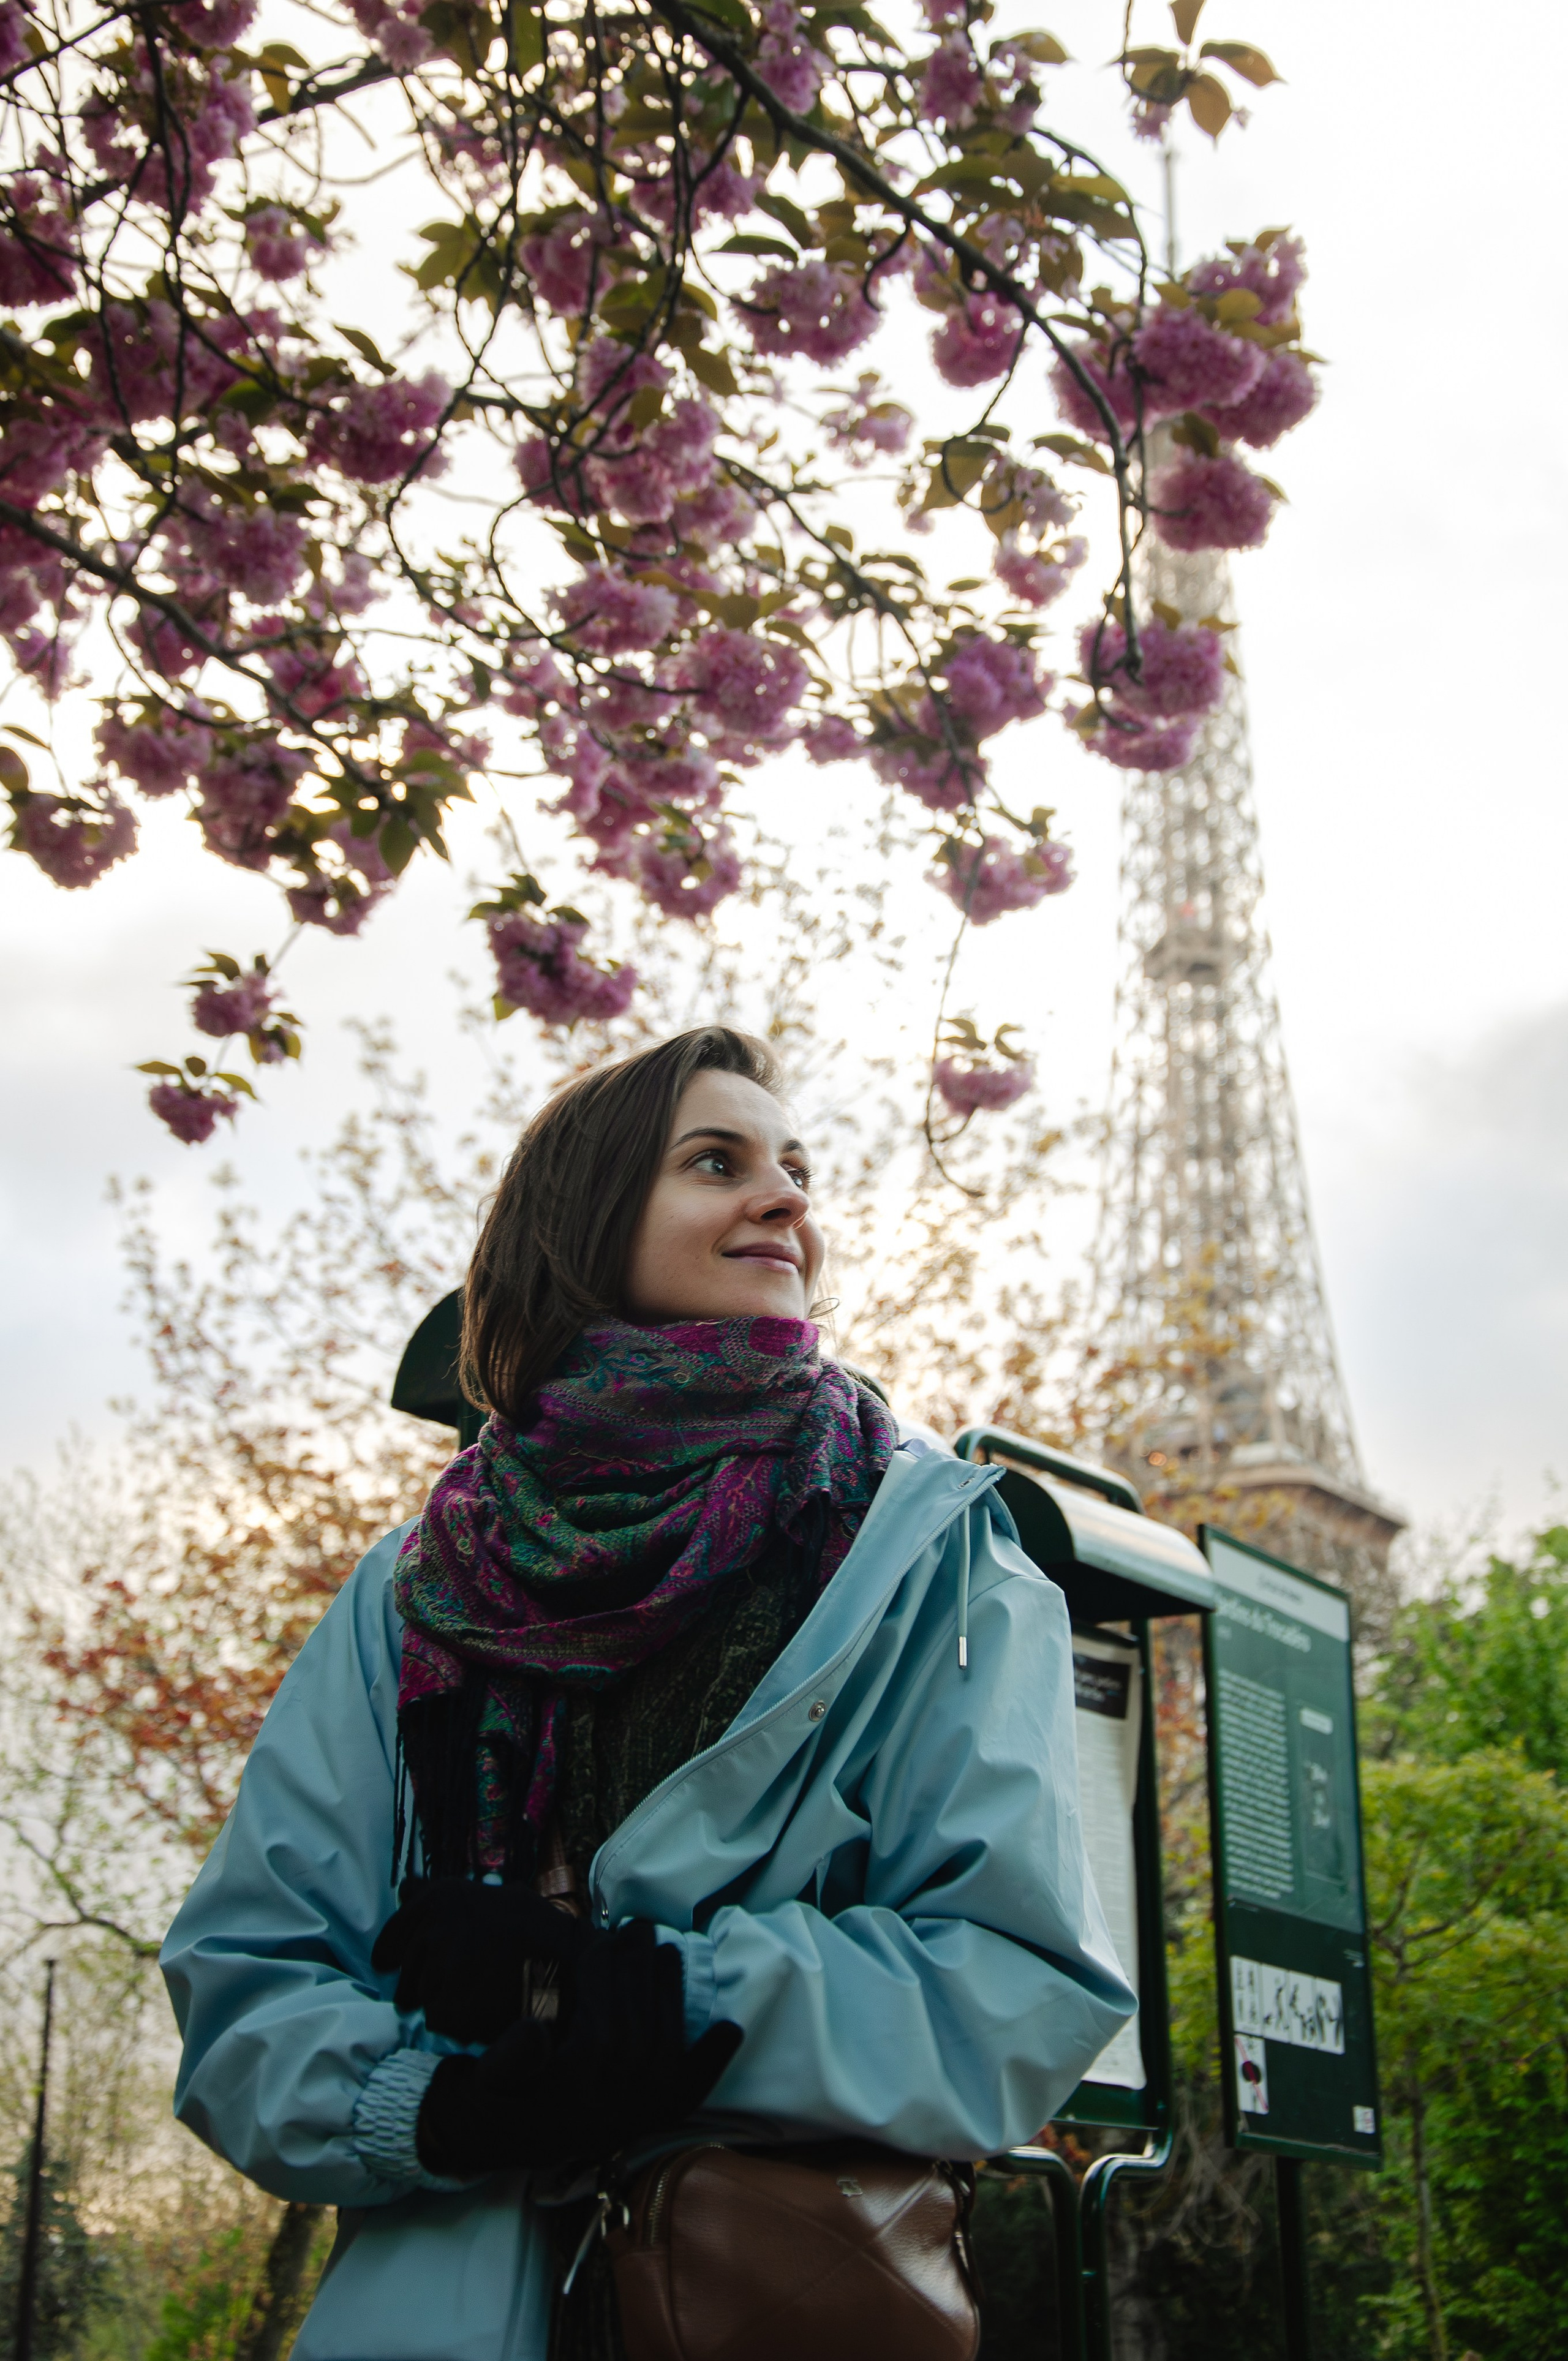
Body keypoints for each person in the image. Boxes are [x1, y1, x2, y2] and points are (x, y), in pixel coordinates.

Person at [162, 1025, 1134, 2361]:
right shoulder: (410, 1592)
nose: (787, 1196)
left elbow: (1014, 1990)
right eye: (716, 1161)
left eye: (796, 1166)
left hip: (774, 2296)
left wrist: (660, 1991)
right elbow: (245, 1984)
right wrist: (437, 2111)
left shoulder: (934, 1562)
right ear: (583, 1224)